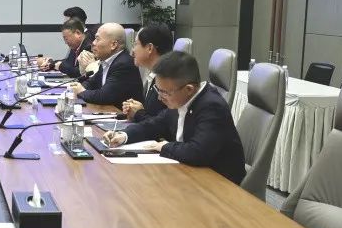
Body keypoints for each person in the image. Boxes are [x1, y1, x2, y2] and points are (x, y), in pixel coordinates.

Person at [102, 51, 246, 185]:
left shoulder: (212, 106)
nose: (159, 97)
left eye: (164, 92)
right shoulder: (181, 99)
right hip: (188, 172)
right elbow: (154, 125)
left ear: (188, 89)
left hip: (218, 182)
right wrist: (123, 135)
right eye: (158, 90)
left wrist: (164, 146)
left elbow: (197, 152)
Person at [72, 23, 144, 107]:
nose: (93, 43)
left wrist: (81, 91)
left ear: (113, 45)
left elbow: (104, 96)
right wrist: (78, 87)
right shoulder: (107, 61)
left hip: (122, 114)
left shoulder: (124, 64)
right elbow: (91, 83)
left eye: (97, 39)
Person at [121, 23, 174, 122]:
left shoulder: (168, 81)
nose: (132, 51)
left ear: (149, 48)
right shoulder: (155, 74)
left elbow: (165, 125)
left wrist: (139, 113)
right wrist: (134, 112)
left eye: (135, 44)